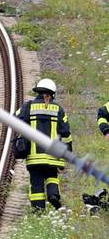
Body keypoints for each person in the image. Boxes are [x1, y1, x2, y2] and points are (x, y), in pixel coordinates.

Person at [17, 77, 72, 212]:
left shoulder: (28, 106)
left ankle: (38, 209)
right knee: (52, 176)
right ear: (53, 93)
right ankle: (53, 194)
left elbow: (15, 118)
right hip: (53, 154)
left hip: (34, 155)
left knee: (36, 182)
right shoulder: (58, 109)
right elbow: (65, 132)